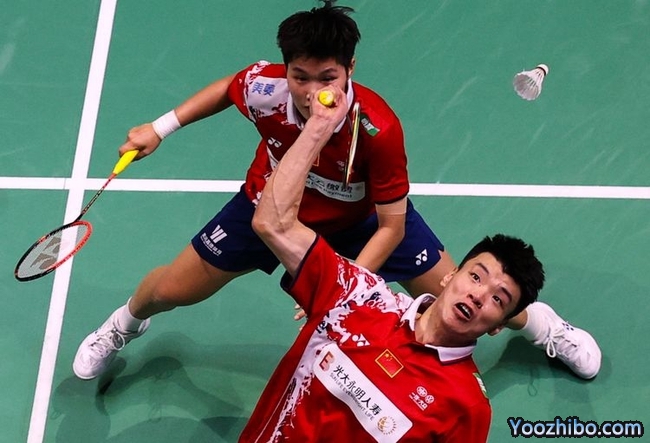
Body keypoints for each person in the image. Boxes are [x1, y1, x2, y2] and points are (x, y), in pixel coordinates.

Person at [73, 2, 600, 382]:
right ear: (286, 69)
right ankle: (124, 325)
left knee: (464, 292)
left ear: (350, 69)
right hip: (267, 205)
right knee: (169, 289)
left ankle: (542, 326)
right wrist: (160, 128)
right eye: (299, 76)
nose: (310, 92)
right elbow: (228, 87)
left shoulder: (378, 130)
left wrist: (344, 286)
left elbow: (392, 225)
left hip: (364, 223)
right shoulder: (266, 89)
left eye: (326, 77)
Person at [243, 85, 544, 442]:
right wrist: (317, 128)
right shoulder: (357, 296)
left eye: (498, 299)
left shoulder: (466, 408)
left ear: (499, 327)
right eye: (477, 277)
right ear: (448, 276)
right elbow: (272, 222)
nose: (479, 296)